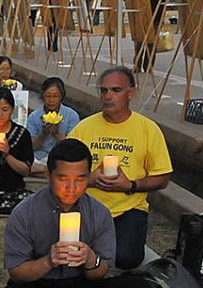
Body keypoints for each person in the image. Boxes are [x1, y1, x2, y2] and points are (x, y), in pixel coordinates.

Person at [0, 138, 153, 288]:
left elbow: (101, 272)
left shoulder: (99, 213)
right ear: (48, 175)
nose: (72, 188)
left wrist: (91, 260)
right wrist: (48, 261)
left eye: (80, 179)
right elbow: (17, 274)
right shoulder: (25, 213)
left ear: (89, 177)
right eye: (63, 179)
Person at [69, 66, 172, 270]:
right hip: (88, 207)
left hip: (128, 209)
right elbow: (60, 171)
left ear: (131, 93)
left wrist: (131, 185)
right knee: (69, 253)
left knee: (126, 259)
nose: (108, 96)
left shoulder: (148, 129)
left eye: (116, 90)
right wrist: (90, 179)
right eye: (104, 90)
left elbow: (163, 178)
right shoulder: (84, 128)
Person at [27, 77, 80, 175]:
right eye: (48, 96)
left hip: (62, 157)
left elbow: (73, 148)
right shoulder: (34, 116)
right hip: (39, 157)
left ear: (61, 96)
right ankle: (46, 169)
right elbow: (31, 147)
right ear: (43, 96)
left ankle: (46, 170)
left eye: (55, 96)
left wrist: (57, 134)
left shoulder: (72, 115)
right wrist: (43, 135)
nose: (51, 100)